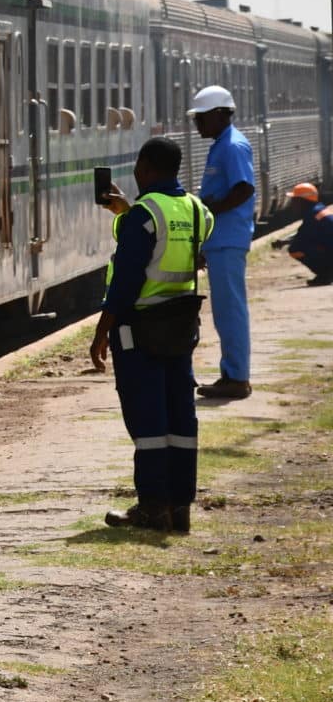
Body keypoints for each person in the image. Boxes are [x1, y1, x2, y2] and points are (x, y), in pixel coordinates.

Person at [93, 137, 214, 533]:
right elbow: (179, 245)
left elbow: (126, 280)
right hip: (180, 327)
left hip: (139, 330)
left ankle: (151, 507)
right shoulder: (196, 210)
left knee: (148, 422)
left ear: (144, 167)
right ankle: (180, 508)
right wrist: (125, 213)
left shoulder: (146, 213)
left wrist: (100, 333)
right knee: (180, 417)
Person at [188, 86, 255, 399]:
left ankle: (236, 377)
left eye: (201, 118)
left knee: (230, 310)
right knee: (225, 310)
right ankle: (232, 373)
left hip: (229, 240)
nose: (196, 125)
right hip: (221, 241)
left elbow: (244, 189)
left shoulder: (232, 146)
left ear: (218, 114)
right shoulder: (221, 144)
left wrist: (210, 208)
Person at [275, 182, 333, 286]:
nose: (292, 204)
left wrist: (286, 241)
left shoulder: (312, 215)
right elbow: (304, 233)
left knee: (296, 248)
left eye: (294, 200)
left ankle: (325, 275)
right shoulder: (318, 209)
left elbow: (302, 238)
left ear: (302, 201)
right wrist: (285, 240)